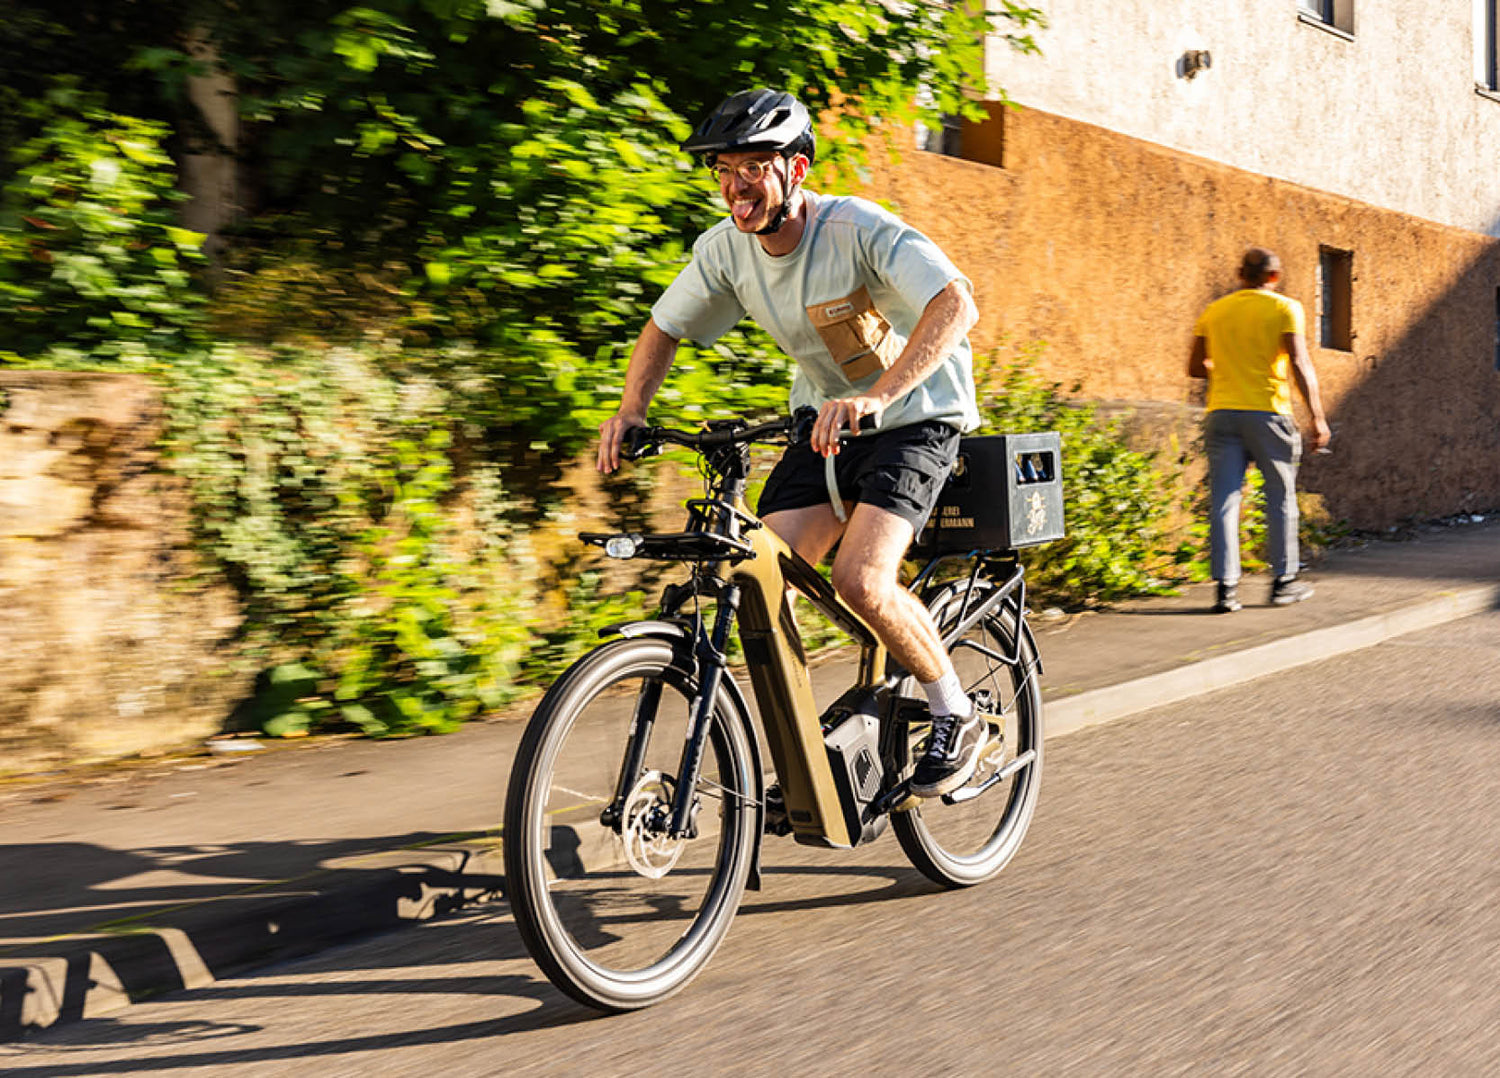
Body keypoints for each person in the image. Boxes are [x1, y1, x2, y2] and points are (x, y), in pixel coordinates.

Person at [597, 88, 985, 797]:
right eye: (723, 169)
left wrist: (879, 395)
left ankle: (954, 710)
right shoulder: (725, 251)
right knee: (759, 578)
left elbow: (956, 300)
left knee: (860, 580)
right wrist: (630, 409)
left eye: (753, 166)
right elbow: (665, 327)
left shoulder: (856, 229)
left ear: (797, 170)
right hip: (826, 423)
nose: (735, 184)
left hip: (914, 418)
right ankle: (811, 755)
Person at [1188, 246, 1331, 614]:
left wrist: (1228, 368)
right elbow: (1298, 362)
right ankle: (1283, 582)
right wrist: (1317, 416)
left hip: (1222, 413)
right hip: (1268, 412)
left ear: (1239, 273)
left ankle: (1225, 589)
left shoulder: (1214, 311)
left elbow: (1195, 367)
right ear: (1274, 276)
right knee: (1280, 496)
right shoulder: (1285, 308)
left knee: (1224, 500)